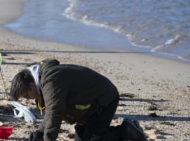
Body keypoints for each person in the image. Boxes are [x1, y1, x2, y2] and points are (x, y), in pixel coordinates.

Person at [10, 59, 148, 141]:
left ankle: (126, 130)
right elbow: (50, 113)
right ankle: (89, 129)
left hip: (104, 99)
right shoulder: (43, 79)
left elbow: (54, 113)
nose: (28, 100)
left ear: (32, 85)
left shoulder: (51, 81)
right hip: (87, 105)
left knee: (95, 139)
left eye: (26, 96)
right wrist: (39, 133)